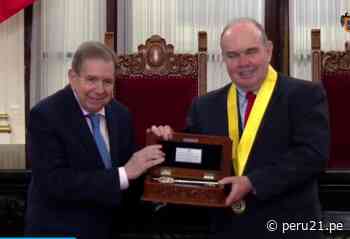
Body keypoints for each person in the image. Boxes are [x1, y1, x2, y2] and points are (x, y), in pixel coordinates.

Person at [151, 18, 329, 238]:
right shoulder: (204, 106)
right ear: (223, 58)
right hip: (226, 229)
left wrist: (252, 182)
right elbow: (193, 159)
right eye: (233, 55)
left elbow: (312, 156)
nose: (243, 62)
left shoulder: (305, 95)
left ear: (269, 50)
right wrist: (166, 142)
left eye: (251, 51)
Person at [25, 41, 165, 239]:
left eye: (107, 82)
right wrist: (123, 174)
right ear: (73, 78)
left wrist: (160, 146)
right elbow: (55, 183)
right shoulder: (45, 115)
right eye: (91, 80)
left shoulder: (121, 115)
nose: (100, 90)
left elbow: (133, 174)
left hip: (112, 229)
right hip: (60, 230)